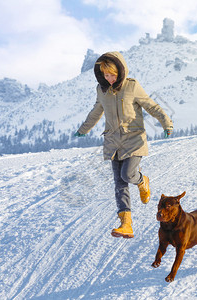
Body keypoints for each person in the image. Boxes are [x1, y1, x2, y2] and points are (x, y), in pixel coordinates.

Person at [75, 51, 173, 238]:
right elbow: (96, 111)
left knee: (128, 174)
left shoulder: (132, 86)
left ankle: (143, 181)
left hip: (133, 139)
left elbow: (151, 106)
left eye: (112, 74)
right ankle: (126, 224)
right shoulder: (102, 90)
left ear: (120, 72)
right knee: (119, 184)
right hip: (113, 142)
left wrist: (166, 123)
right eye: (105, 75)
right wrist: (83, 129)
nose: (109, 78)